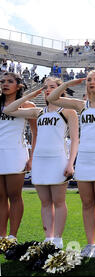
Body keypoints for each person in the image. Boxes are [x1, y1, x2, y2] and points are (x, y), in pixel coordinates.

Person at [47, 71, 95, 258]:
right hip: (84, 160)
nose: (91, 82)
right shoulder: (82, 105)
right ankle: (90, 243)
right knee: (87, 203)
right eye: (89, 80)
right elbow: (52, 97)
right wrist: (68, 84)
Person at [3, 77, 79, 248]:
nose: (47, 90)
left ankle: (58, 240)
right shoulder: (38, 112)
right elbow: (9, 110)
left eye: (52, 87)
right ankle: (48, 238)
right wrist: (31, 95)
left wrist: (71, 163)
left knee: (59, 201)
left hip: (58, 159)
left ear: (61, 90)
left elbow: (75, 139)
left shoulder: (68, 112)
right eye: (46, 87)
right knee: (45, 202)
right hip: (39, 161)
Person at [0, 72, 37, 240]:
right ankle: (1, 237)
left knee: (15, 195)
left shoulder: (28, 106)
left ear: (19, 86)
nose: (5, 84)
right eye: (2, 81)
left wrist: (32, 157)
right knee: (0, 196)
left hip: (16, 153)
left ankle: (12, 236)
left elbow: (35, 133)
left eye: (9, 81)